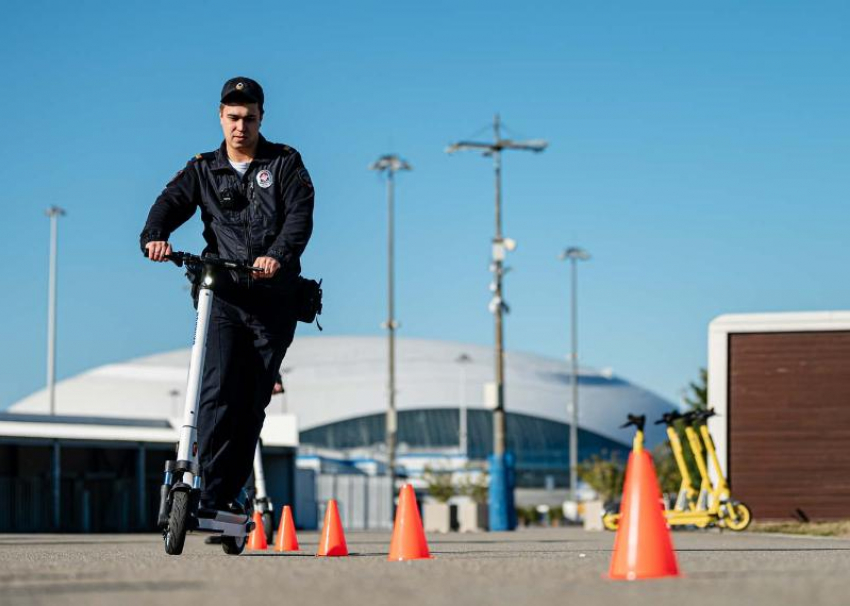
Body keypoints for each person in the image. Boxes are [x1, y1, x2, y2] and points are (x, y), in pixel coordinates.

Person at [140, 76, 314, 512]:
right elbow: (169, 204)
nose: (241, 126)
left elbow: (299, 218)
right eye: (233, 117)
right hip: (222, 295)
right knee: (213, 394)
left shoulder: (285, 163)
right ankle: (204, 487)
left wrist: (276, 255)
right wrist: (155, 235)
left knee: (249, 402)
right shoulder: (202, 168)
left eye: (249, 118)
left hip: (273, 298)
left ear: (261, 118)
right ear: (220, 116)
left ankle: (224, 494)